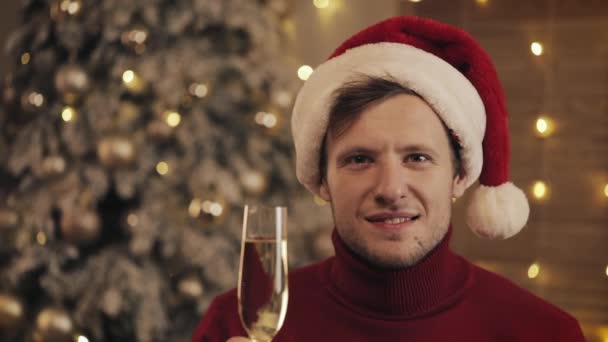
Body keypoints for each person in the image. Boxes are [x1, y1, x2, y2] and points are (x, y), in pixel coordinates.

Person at [192, 16, 585, 342]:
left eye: (417, 157)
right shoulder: (235, 325)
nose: (391, 189)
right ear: (322, 180)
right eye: (360, 159)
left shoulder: (546, 333)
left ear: (458, 175)